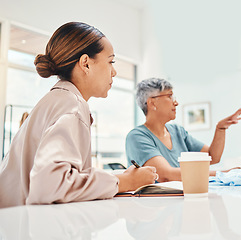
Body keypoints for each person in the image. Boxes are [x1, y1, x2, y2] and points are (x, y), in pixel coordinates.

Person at [0, 22, 157, 208]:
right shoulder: (72, 107)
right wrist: (126, 182)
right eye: (110, 62)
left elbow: (64, 176)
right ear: (86, 63)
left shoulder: (57, 100)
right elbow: (49, 186)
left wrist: (123, 177)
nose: (114, 72)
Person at [126, 78, 241, 182]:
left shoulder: (177, 131)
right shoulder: (137, 137)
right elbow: (166, 176)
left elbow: (212, 157)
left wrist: (220, 129)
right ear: (152, 103)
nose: (176, 102)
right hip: (158, 204)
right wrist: (223, 174)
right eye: (169, 96)